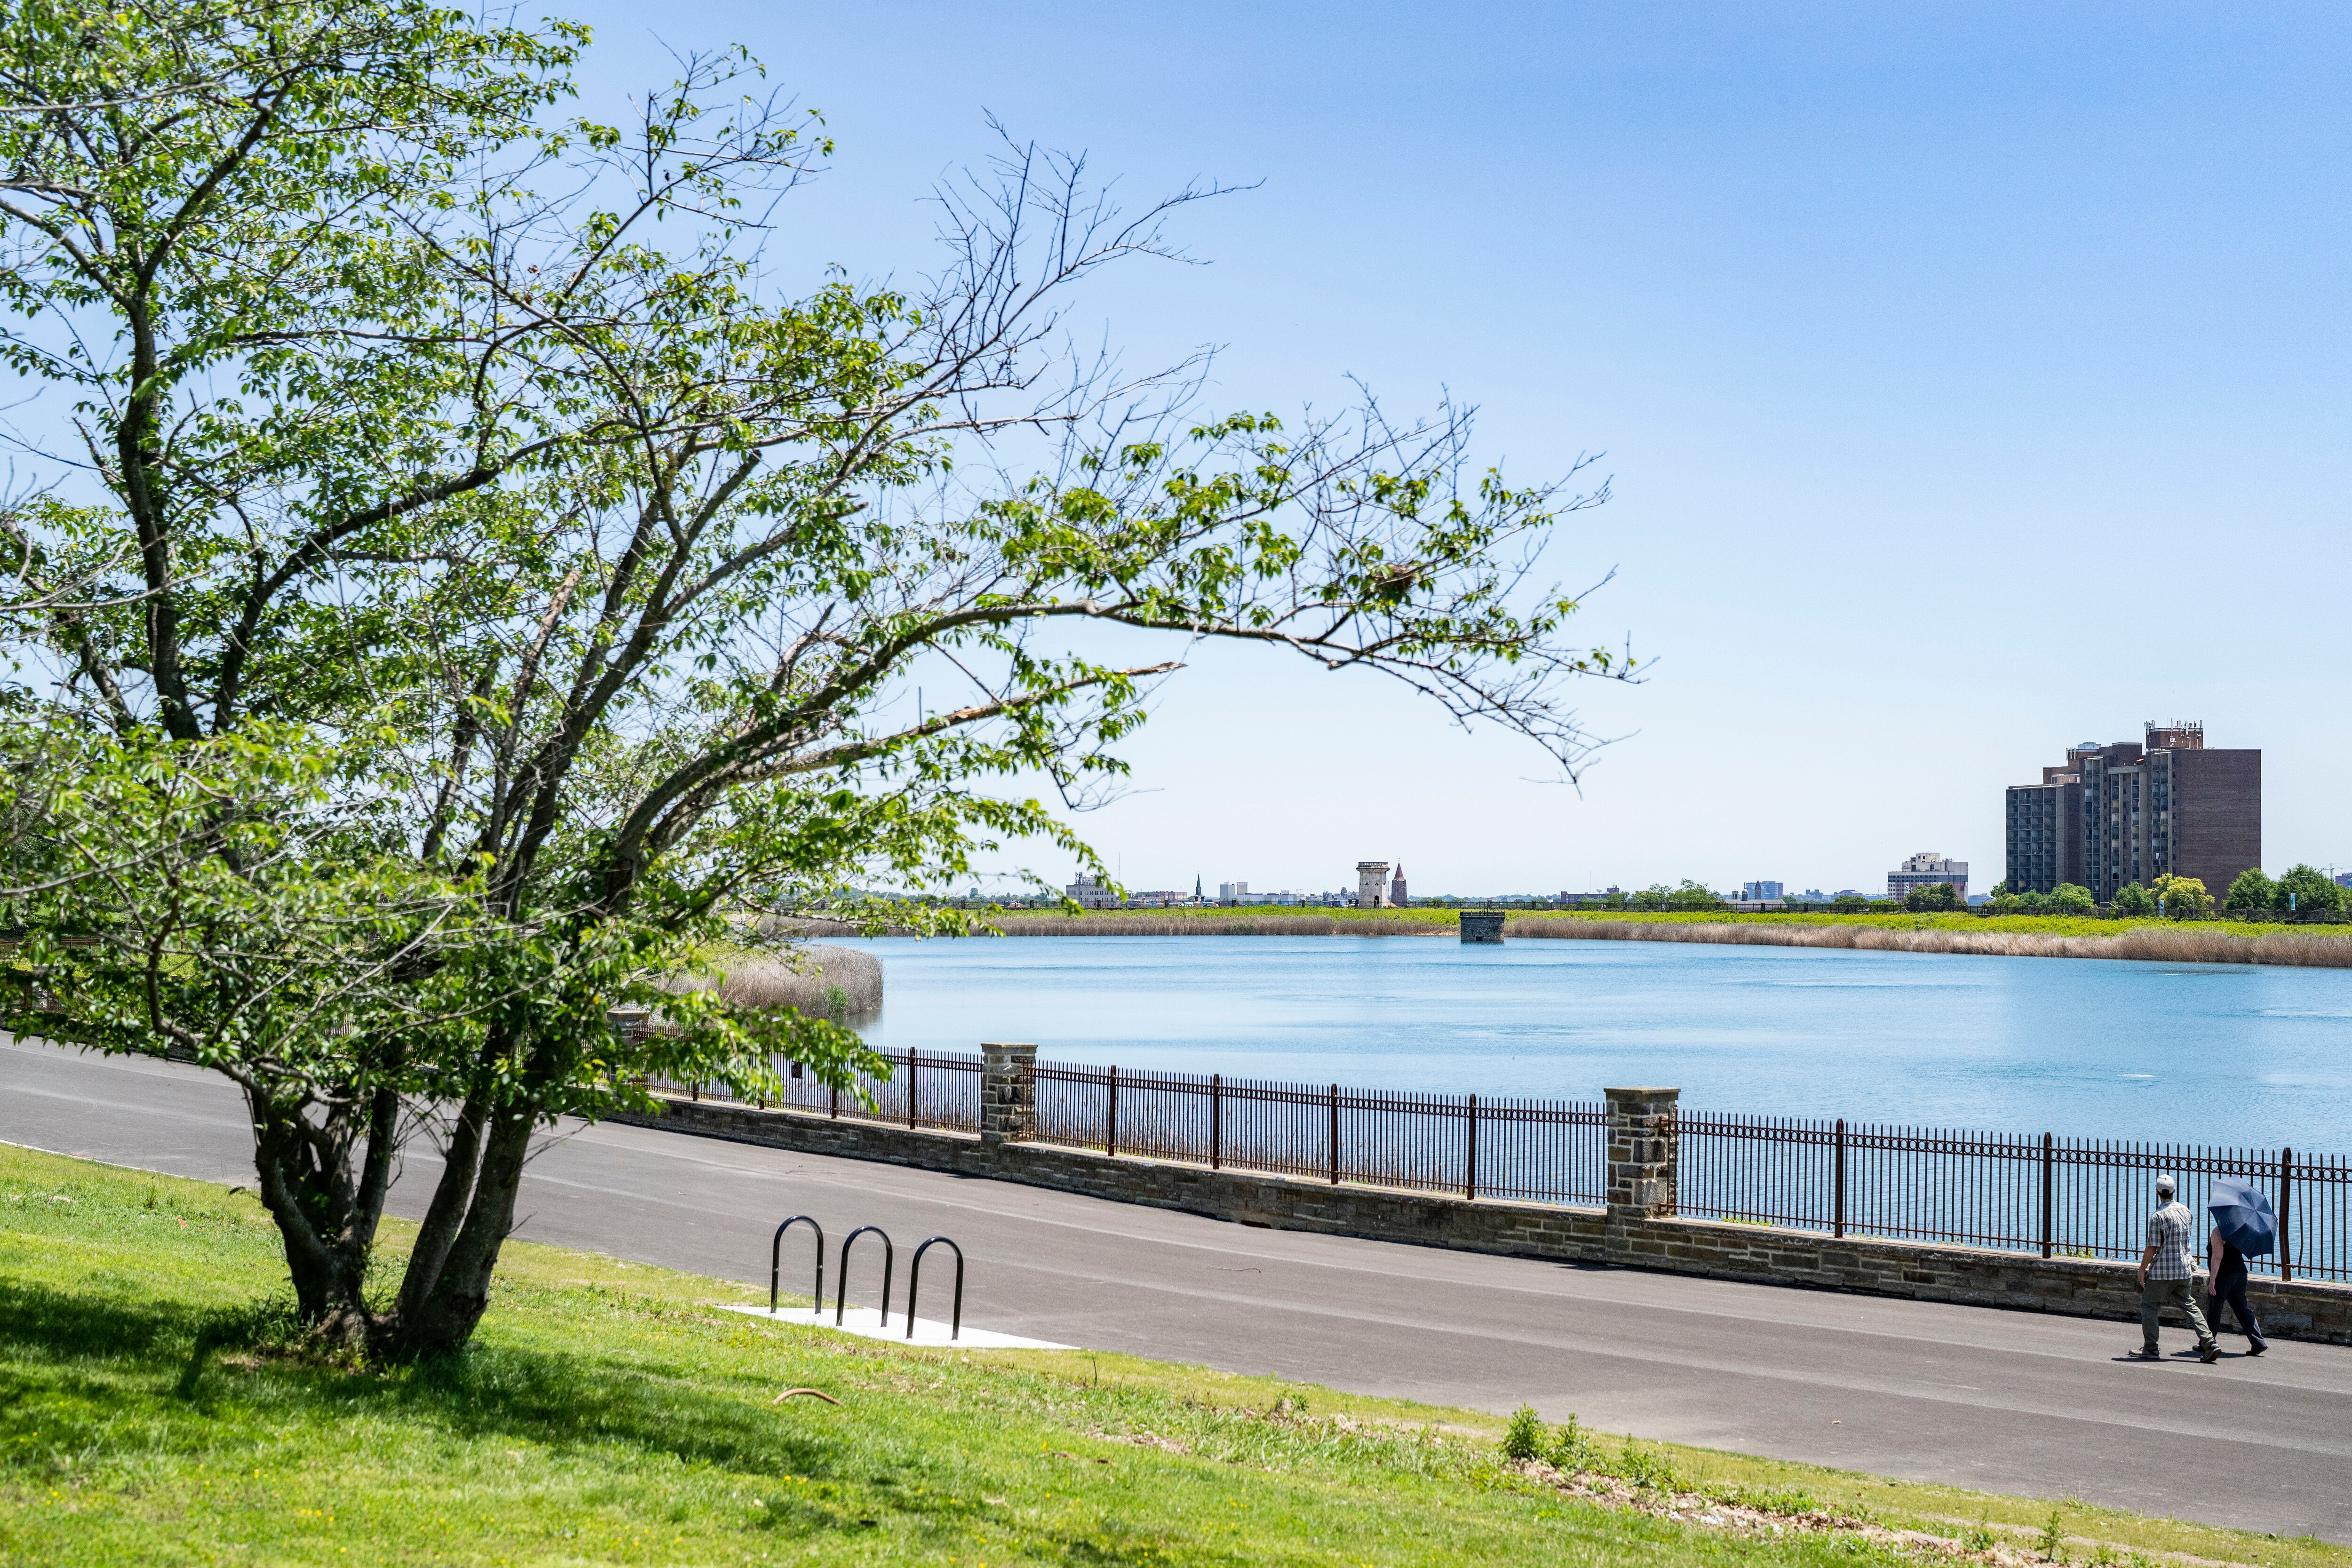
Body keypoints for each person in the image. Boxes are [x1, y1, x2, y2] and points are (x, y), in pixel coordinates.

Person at [2133, 1174, 2218, 1362]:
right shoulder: (2186, 1211)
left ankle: (2151, 1348)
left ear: (2157, 1192)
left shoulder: (2158, 1216)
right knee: (2189, 1305)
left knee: (2149, 1306)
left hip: (2163, 1272)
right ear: (2174, 1191)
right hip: (2184, 1269)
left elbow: (2153, 1247)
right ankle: (2210, 1343)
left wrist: (2142, 1269)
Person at [2205, 1222, 2268, 1356]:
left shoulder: (2218, 1231)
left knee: (2214, 1309)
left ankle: (2208, 1343)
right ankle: (2258, 1342)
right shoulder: (2239, 1229)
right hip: (2240, 1273)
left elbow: (2217, 1257)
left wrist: (2212, 1280)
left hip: (2223, 1275)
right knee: (2242, 1309)